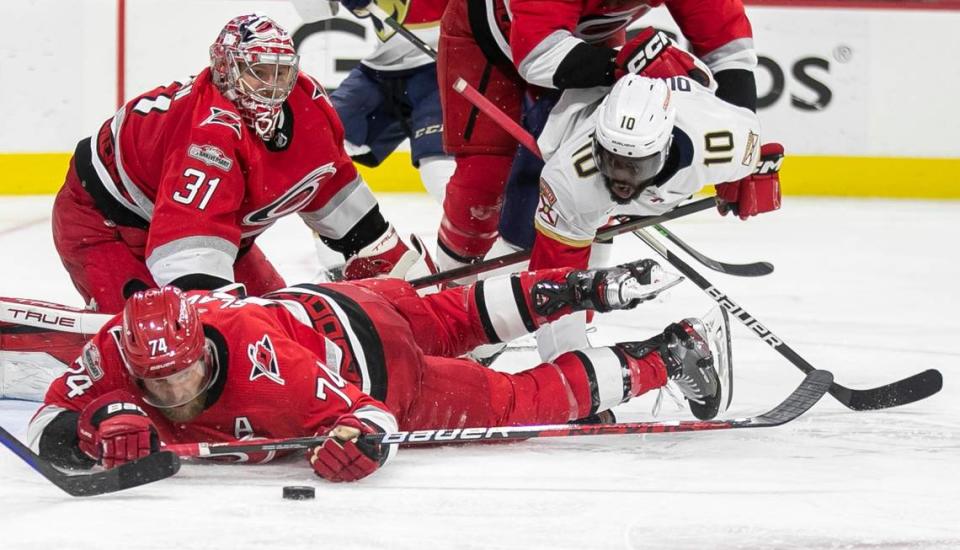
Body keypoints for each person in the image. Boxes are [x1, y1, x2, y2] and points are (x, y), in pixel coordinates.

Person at [23, 260, 730, 482]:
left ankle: (669, 353)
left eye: (186, 375)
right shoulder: (121, 345)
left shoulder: (271, 373)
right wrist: (97, 419)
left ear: (206, 349)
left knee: (520, 402)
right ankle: (580, 285)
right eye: (157, 385)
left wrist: (353, 446)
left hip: (392, 378)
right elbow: (50, 417)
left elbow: (371, 418)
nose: (173, 393)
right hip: (350, 300)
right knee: (458, 315)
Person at [51, 13, 427, 314]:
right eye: (258, 72)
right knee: (161, 341)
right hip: (103, 224)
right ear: (225, 68)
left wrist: (402, 276)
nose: (272, 86)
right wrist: (222, 323)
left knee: (278, 324)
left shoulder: (308, 104)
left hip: (218, 235)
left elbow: (347, 212)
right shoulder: (208, 133)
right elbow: (192, 270)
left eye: (280, 72)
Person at [433, 0, 761, 275]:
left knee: (604, 166)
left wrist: (742, 147)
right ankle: (448, 286)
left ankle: (583, 294)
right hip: (487, 40)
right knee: (484, 184)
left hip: (588, 45)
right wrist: (620, 65)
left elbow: (728, 49)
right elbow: (537, 54)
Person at [524, 74, 781, 356]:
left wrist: (746, 173)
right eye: (611, 162)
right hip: (573, 124)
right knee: (564, 281)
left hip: (691, 92)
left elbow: (746, 129)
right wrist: (573, 378)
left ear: (665, 147)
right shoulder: (569, 179)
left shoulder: (730, 144)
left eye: (636, 167)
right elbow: (554, 299)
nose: (621, 182)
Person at [329, 0, 454, 204]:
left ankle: (472, 233)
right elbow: (312, 9)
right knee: (321, 135)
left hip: (441, 67)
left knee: (438, 166)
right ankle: (352, 224)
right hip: (380, 71)